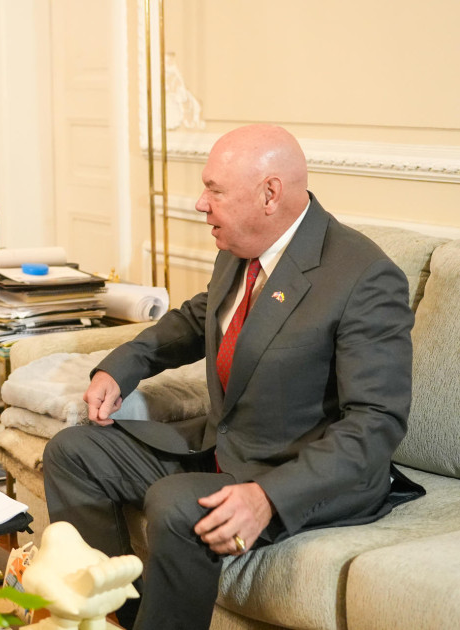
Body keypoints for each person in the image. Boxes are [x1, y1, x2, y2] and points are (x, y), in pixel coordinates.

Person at [43, 124, 424, 629]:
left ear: (270, 193)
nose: (200, 204)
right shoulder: (242, 244)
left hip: (302, 472)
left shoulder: (363, 276)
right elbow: (202, 317)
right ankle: (117, 618)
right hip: (227, 446)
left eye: (215, 190)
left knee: (176, 504)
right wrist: (122, 366)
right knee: (73, 452)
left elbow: (375, 424)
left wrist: (270, 497)